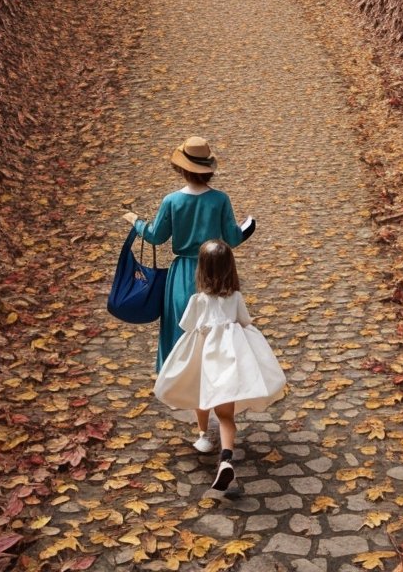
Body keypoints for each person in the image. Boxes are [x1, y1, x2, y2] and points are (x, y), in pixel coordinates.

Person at [154, 239, 286, 497]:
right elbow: (245, 321)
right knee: (226, 415)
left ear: (201, 270)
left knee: (199, 394)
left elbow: (186, 326)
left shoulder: (198, 300)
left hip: (203, 358)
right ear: (231, 269)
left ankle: (203, 435)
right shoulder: (235, 297)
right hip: (229, 360)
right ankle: (226, 458)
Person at [122, 136, 254, 370]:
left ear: (181, 169)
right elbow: (233, 238)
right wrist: (248, 225)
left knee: (181, 324)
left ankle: (180, 375)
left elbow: (156, 236)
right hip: (216, 270)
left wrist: (136, 222)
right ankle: (217, 372)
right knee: (218, 323)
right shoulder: (220, 199)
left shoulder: (172, 201)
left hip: (182, 272)